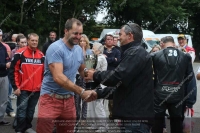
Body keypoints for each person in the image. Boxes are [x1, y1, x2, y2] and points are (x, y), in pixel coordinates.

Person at [85, 23, 154, 133]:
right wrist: (98, 93)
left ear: (129, 35)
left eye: (120, 34)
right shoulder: (132, 52)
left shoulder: (135, 53)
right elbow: (122, 86)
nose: (118, 38)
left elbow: (117, 77)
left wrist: (94, 75)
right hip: (131, 118)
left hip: (135, 120)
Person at [36, 18, 96, 133]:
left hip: (68, 100)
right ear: (66, 31)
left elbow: (84, 72)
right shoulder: (55, 48)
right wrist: (82, 91)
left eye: (80, 34)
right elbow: (58, 77)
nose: (78, 37)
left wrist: (97, 74)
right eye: (75, 33)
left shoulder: (78, 50)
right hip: (50, 98)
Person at [151, 36, 193, 133]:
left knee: (157, 122)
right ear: (173, 44)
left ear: (162, 43)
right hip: (177, 94)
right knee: (177, 122)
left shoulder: (154, 55)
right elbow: (190, 76)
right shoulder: (186, 56)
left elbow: (150, 75)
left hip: (159, 94)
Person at [10, 33, 45, 133]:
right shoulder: (20, 54)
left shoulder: (41, 55)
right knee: (22, 111)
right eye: (32, 40)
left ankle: (27, 127)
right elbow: (13, 71)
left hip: (36, 90)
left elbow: (44, 73)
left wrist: (42, 86)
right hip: (23, 89)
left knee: (31, 111)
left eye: (36, 41)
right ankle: (19, 129)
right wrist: (15, 87)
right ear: (28, 41)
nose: (34, 42)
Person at [86, 42, 108, 132]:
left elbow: (89, 66)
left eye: (93, 48)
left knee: (98, 106)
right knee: (92, 105)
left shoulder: (101, 58)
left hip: (99, 84)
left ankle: (103, 126)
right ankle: (95, 124)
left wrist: (87, 56)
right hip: (93, 83)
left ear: (99, 50)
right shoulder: (96, 57)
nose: (92, 49)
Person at [74, 34, 92, 127]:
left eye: (84, 41)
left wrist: (84, 53)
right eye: (80, 41)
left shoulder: (90, 51)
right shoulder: (75, 50)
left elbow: (89, 66)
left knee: (85, 98)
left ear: (87, 42)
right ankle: (77, 117)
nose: (82, 43)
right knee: (76, 99)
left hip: (85, 77)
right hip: (76, 77)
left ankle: (84, 118)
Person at [103, 34, 121, 120]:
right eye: (108, 39)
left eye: (111, 39)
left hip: (113, 74)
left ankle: (112, 113)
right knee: (102, 94)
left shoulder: (117, 51)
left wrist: (107, 59)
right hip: (103, 74)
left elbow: (118, 62)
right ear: (105, 41)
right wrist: (113, 59)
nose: (109, 40)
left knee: (112, 95)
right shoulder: (102, 50)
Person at [0, 29, 11, 126]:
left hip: (4, 76)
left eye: (0, 35)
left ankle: (1, 118)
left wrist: (10, 62)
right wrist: (5, 65)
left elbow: (8, 59)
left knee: (3, 99)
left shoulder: (3, 47)